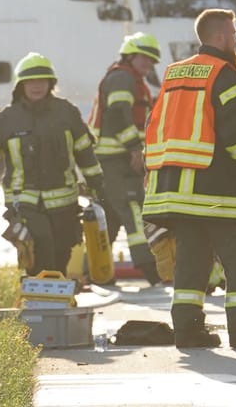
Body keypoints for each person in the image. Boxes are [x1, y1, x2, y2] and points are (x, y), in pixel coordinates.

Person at [143, 8, 236, 349]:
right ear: (221, 36)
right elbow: (235, 131)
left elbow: (155, 124)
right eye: (234, 34)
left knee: (192, 261)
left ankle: (188, 331)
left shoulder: (175, 73)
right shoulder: (223, 73)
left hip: (177, 190)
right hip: (218, 188)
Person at [0, 52, 104, 275]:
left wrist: (96, 184)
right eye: (30, 81)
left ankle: (56, 296)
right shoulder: (7, 120)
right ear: (20, 85)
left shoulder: (66, 113)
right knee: (38, 246)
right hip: (23, 201)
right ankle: (38, 295)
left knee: (62, 250)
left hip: (64, 201)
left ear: (50, 83)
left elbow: (85, 153)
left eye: (42, 80)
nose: (37, 86)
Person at [88, 31, 163, 284]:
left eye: (152, 61)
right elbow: (120, 114)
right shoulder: (122, 78)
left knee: (110, 217)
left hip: (112, 159)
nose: (149, 65)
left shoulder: (127, 77)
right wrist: (134, 149)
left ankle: (96, 272)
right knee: (132, 208)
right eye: (145, 58)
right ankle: (150, 269)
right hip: (115, 159)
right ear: (130, 55)